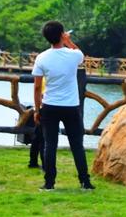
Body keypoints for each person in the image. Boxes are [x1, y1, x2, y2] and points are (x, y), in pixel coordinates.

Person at [32, 21, 94, 191]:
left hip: (50, 105)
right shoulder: (73, 55)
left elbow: (37, 87)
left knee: (50, 144)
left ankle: (49, 183)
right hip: (71, 106)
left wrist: (37, 110)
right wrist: (68, 41)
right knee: (77, 145)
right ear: (62, 35)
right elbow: (82, 55)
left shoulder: (42, 57)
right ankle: (85, 181)